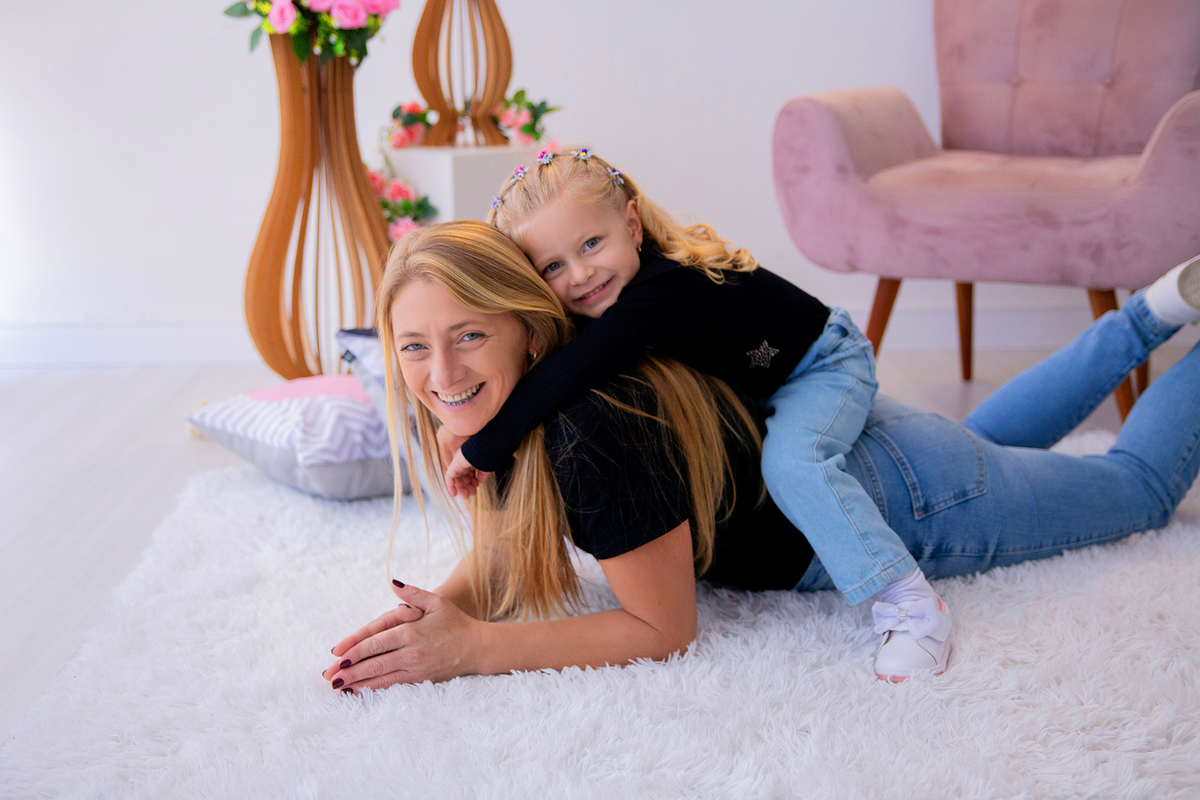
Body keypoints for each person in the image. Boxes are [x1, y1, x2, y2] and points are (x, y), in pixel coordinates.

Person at [322, 222, 1200, 692]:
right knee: (988, 447)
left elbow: (661, 629)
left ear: (528, 325)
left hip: (910, 500)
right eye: (412, 347)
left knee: (1138, 488)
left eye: (468, 336)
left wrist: (476, 649)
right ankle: (1145, 314)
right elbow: (511, 543)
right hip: (881, 447)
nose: (441, 374)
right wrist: (438, 614)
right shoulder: (516, 404)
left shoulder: (589, 428)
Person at [439, 148, 944, 679]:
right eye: (553, 267)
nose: (582, 274)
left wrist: (484, 446)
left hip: (824, 363)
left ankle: (910, 603)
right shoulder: (613, 297)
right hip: (765, 384)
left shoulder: (663, 287)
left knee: (794, 465)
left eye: (592, 243)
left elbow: (575, 369)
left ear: (631, 224)